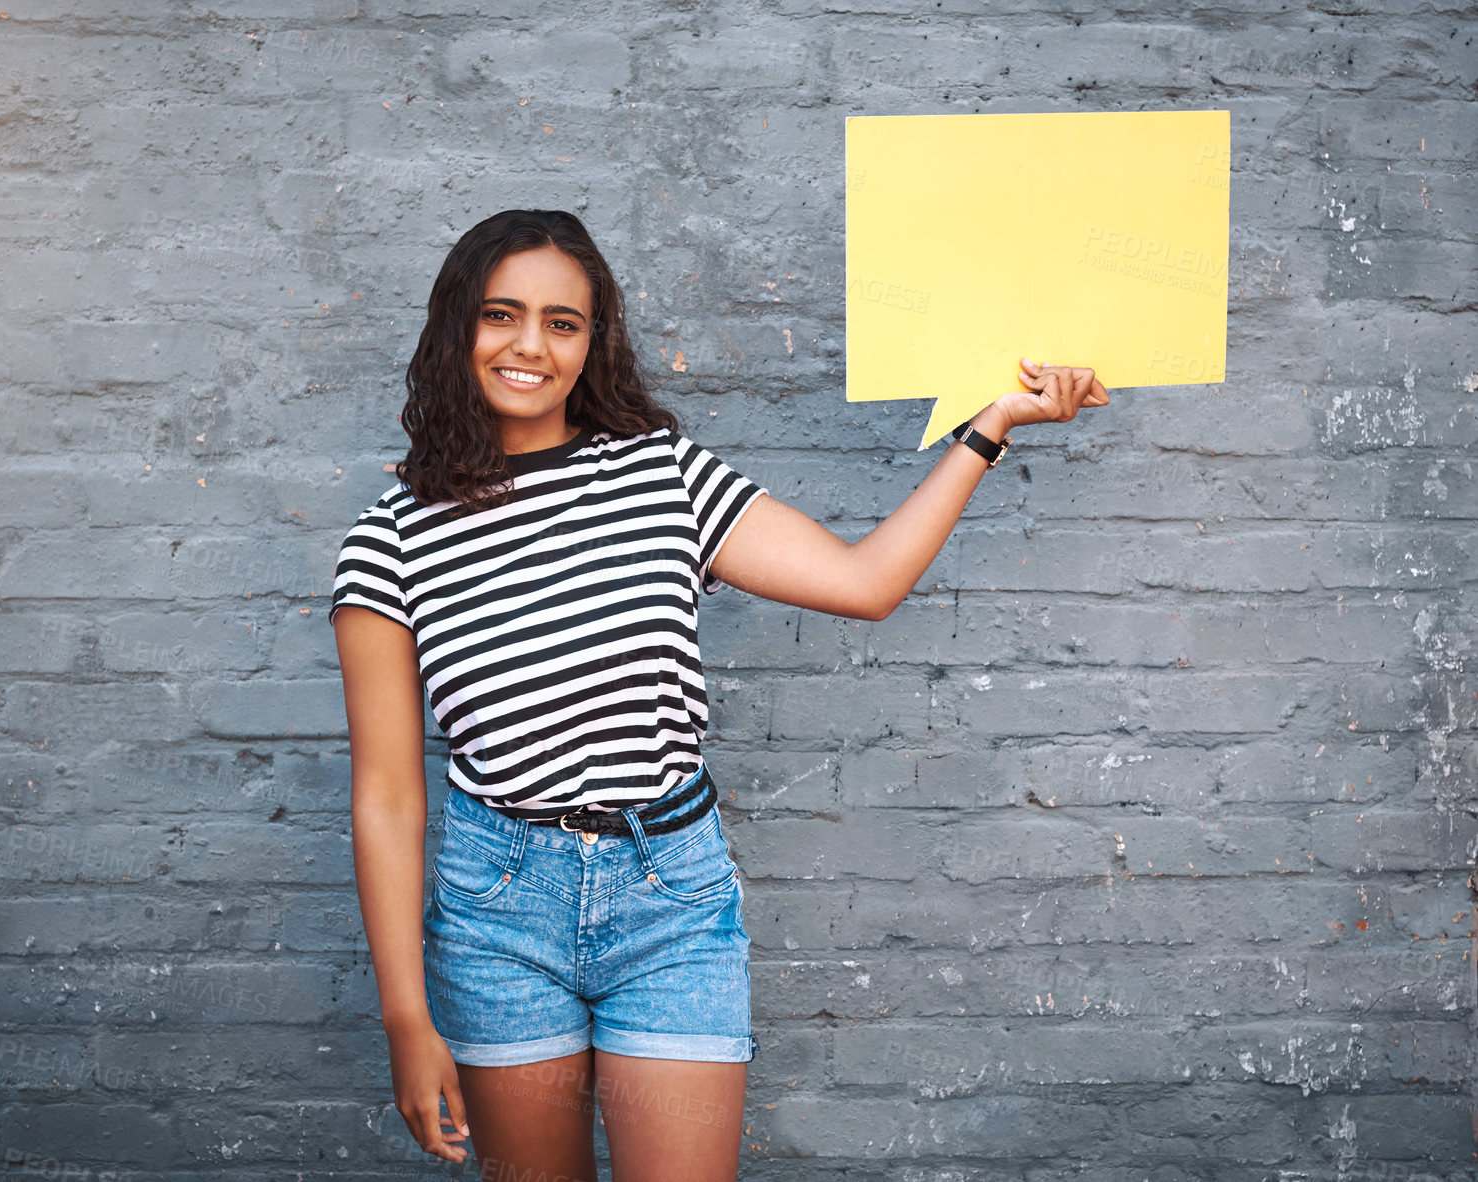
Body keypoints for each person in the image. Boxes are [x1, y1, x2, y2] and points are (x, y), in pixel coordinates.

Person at [329, 208, 1108, 1182]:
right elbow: (390, 798)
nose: (529, 345)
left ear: (590, 343)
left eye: (561, 324)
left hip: (669, 896)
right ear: (458, 328)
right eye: (501, 315)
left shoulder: (662, 476)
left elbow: (864, 584)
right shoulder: (391, 539)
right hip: (497, 912)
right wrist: (405, 1015)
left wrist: (988, 427)